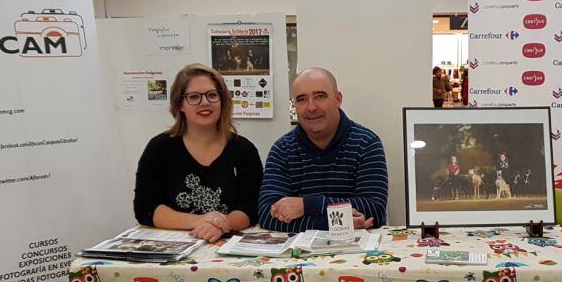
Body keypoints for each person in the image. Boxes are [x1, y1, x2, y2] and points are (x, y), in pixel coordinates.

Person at [133, 63, 263, 243]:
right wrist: (201, 221)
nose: (205, 102)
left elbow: (251, 208)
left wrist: (218, 226)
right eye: (194, 97)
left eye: (212, 95)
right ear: (180, 105)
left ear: (222, 100)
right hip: (172, 247)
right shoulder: (159, 148)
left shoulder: (243, 150)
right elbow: (146, 208)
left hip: (226, 244)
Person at [258, 67, 388, 232]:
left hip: (360, 253)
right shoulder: (282, 150)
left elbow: (372, 209)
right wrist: (332, 224)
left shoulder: (366, 143)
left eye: (320, 96)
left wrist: (307, 205)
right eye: (302, 99)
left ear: (338, 99)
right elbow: (267, 214)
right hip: (297, 255)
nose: (311, 107)